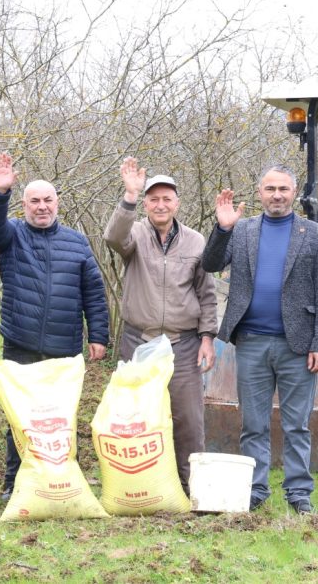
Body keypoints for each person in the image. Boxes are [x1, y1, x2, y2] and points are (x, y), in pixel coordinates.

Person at [200, 164, 318, 515]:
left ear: (294, 193)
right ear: (260, 193)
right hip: (252, 342)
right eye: (270, 189)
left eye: (284, 189)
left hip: (298, 345)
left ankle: (299, 493)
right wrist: (222, 228)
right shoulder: (242, 231)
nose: (277, 195)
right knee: (253, 423)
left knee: (297, 424)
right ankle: (255, 489)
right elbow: (211, 264)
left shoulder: (314, 233)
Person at [0, 151, 110, 501]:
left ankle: (59, 480)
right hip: (20, 342)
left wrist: (98, 335)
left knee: (60, 418)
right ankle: (14, 482)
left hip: (64, 347)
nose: (42, 206)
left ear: (57, 203)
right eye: (34, 200)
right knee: (20, 417)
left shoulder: (77, 241)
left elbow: (94, 292)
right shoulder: (12, 236)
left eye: (48, 200)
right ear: (23, 205)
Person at [102, 157, 218, 494]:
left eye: (167, 198)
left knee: (188, 419)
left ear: (177, 203)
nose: (160, 204)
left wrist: (207, 338)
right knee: (134, 416)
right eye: (153, 199)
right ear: (146, 203)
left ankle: (191, 488)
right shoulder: (134, 234)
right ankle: (137, 485)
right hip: (138, 342)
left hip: (183, 346)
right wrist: (129, 195)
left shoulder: (196, 241)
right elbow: (112, 237)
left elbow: (207, 294)